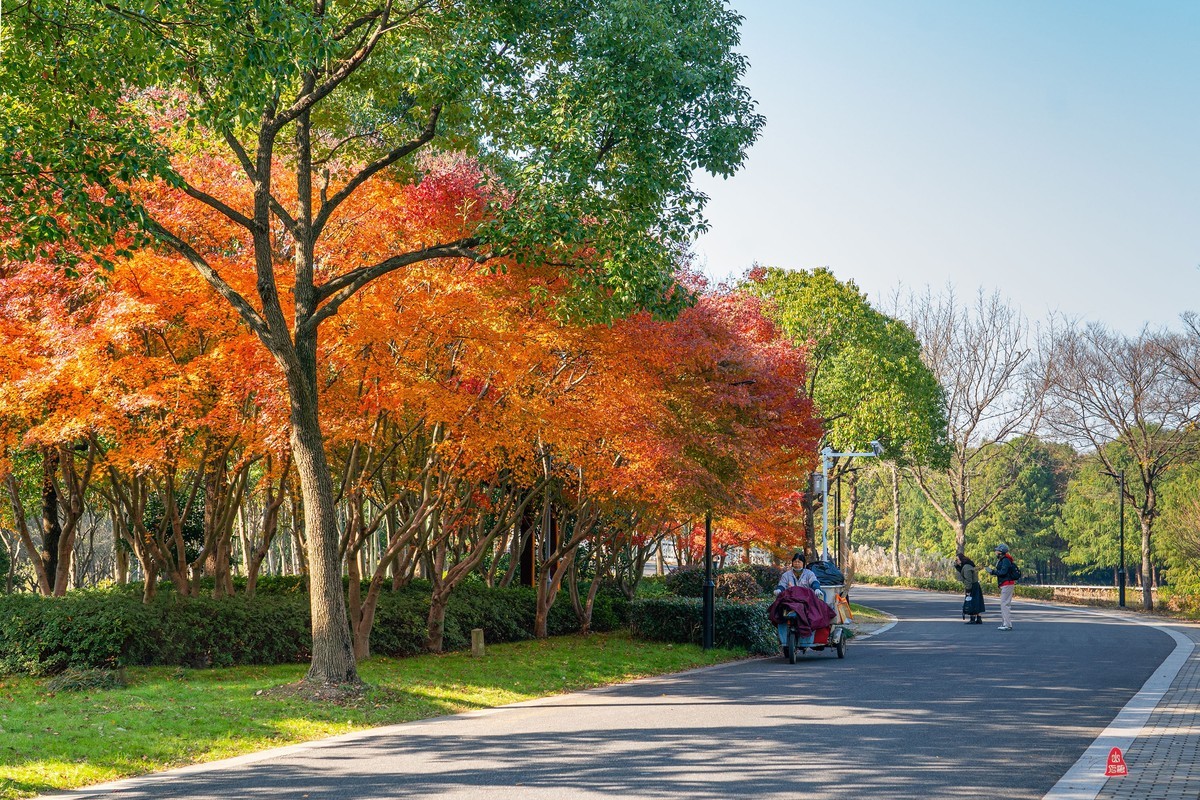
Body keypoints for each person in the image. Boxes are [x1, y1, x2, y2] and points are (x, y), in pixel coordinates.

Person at [774, 553, 821, 650]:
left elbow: (814, 582)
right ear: (792, 563)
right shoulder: (786, 575)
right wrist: (779, 590)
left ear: (803, 563)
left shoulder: (809, 574)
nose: (797, 564)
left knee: (813, 613)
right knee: (778, 611)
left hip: (805, 600)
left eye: (799, 562)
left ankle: (807, 635)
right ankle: (784, 639)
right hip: (790, 600)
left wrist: (816, 589)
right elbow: (782, 585)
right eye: (795, 562)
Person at [988, 543, 1018, 630]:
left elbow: (1003, 572)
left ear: (1001, 552)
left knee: (1005, 604)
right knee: (1004, 604)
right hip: (1006, 584)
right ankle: (1005, 623)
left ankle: (1007, 625)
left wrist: (993, 572)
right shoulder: (1003, 560)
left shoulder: (1005, 560)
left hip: (1007, 583)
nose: (995, 552)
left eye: (997, 551)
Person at [955, 553, 985, 625]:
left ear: (961, 560)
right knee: (977, 601)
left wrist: (968, 590)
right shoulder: (968, 566)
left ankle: (972, 618)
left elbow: (968, 580)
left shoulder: (966, 567)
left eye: (957, 559)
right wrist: (957, 566)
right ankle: (979, 618)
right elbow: (962, 571)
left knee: (971, 601)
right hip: (975, 585)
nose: (956, 561)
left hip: (972, 586)